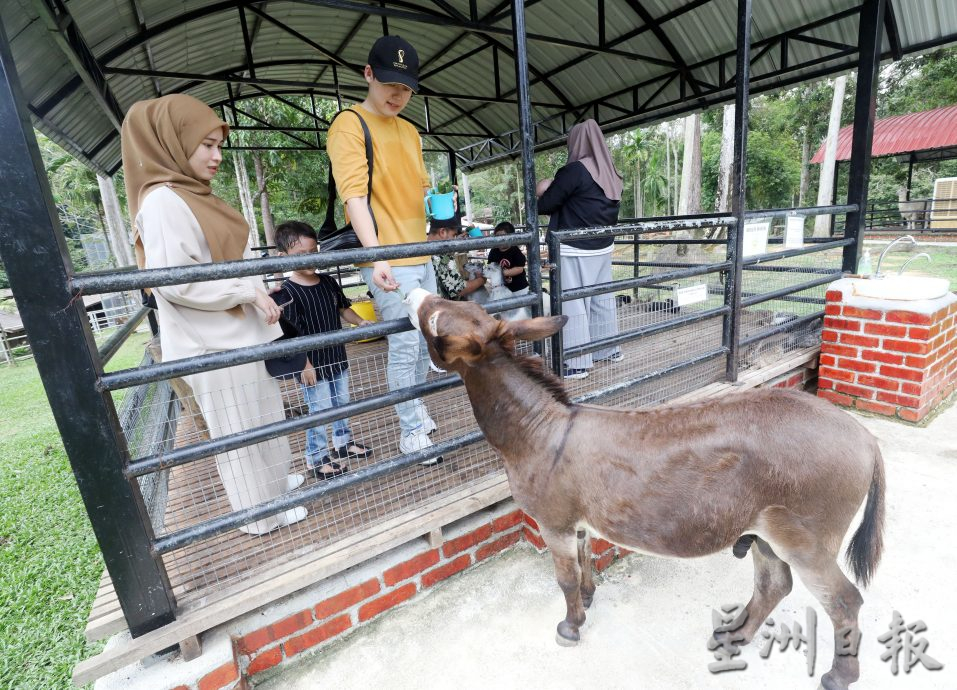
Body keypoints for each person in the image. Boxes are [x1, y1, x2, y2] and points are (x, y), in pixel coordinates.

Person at [121, 94, 307, 535]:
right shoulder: (164, 201)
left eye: (218, 144)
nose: (216, 155)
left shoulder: (192, 195)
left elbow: (215, 265)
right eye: (206, 144)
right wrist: (245, 288)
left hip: (237, 334)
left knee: (264, 416)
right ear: (172, 142)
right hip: (212, 341)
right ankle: (258, 515)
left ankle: (274, 488)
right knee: (238, 431)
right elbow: (175, 281)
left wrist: (257, 289)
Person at [326, 35, 442, 465]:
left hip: (420, 254)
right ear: (368, 74)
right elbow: (354, 195)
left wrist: (439, 221)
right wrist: (377, 258)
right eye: (390, 82)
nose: (398, 94)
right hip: (389, 259)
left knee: (422, 341)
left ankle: (417, 410)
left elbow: (418, 191)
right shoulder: (349, 124)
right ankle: (411, 432)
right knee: (405, 347)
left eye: (407, 86)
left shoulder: (410, 131)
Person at [272, 221, 375, 481]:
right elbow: (290, 335)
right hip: (311, 365)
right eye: (300, 255)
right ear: (283, 257)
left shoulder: (328, 282)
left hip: (337, 357)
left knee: (341, 403)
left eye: (313, 252)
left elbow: (344, 308)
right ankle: (315, 457)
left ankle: (343, 442)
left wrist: (359, 322)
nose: (309, 259)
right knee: (319, 411)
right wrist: (303, 364)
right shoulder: (287, 293)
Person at [537, 119, 623, 380]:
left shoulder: (574, 171)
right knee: (601, 301)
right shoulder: (611, 172)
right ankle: (608, 350)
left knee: (572, 303)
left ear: (576, 141)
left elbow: (546, 205)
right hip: (603, 246)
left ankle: (576, 364)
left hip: (573, 248)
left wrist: (545, 187)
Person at [429, 213, 486, 300]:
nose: (454, 239)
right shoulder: (442, 256)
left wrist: (457, 240)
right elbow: (459, 289)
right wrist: (482, 280)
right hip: (446, 308)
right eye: (453, 235)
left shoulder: (427, 248)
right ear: (442, 232)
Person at [487, 221, 529, 298]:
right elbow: (490, 266)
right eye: (497, 237)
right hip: (502, 289)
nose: (500, 240)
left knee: (522, 307)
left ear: (511, 238)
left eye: (503, 237)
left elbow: (519, 268)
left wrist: (503, 273)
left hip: (519, 289)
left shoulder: (515, 250)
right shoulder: (494, 251)